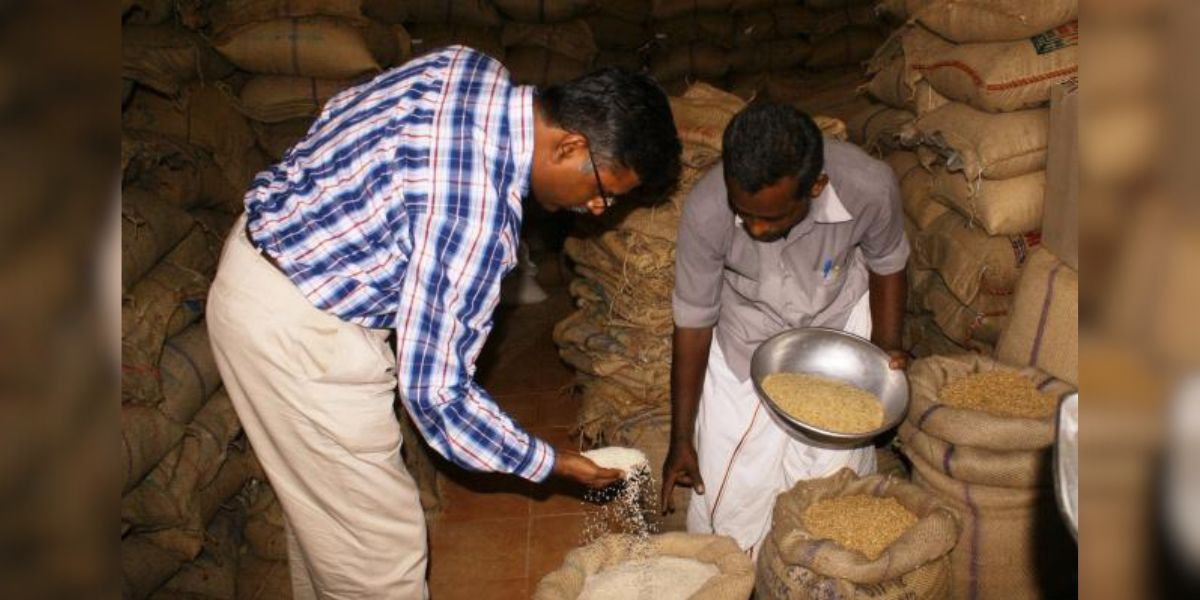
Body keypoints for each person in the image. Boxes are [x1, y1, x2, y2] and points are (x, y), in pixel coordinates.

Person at [206, 46, 681, 598]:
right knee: (381, 560)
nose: (599, 208)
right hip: (299, 333)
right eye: (603, 190)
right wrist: (554, 463)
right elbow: (435, 393)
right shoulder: (477, 215)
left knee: (330, 523)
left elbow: (340, 114)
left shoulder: (470, 67)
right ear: (570, 144)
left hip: (265, 259)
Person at [659, 103, 908, 557]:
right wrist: (681, 435)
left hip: (836, 324)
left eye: (772, 218)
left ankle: (809, 579)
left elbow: (888, 262)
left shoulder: (869, 187)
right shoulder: (707, 209)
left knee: (830, 485)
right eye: (745, 212)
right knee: (731, 493)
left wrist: (885, 348)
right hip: (747, 332)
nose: (754, 226)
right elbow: (693, 321)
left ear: (816, 188)